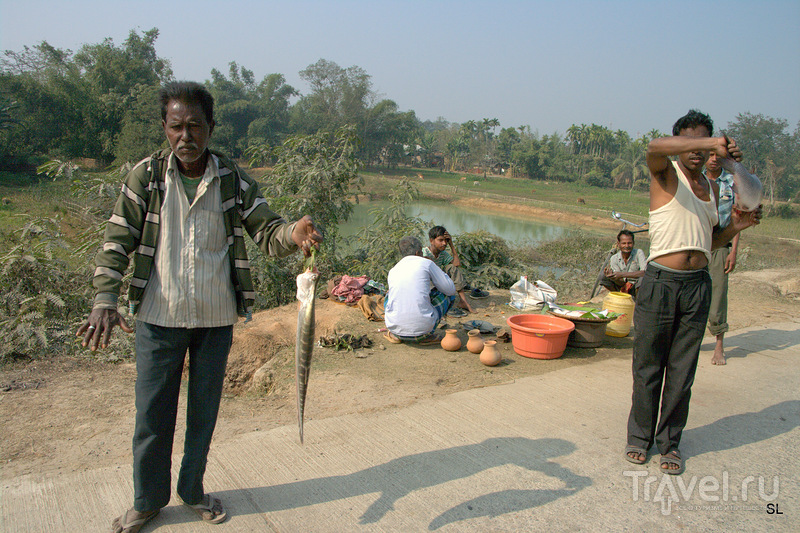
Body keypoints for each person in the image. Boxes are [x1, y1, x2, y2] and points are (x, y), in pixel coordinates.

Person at [77, 81, 322, 533]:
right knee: (152, 416)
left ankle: (192, 490)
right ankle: (148, 501)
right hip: (158, 318)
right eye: (176, 127)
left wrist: (295, 234)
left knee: (203, 412)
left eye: (194, 126)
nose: (185, 136)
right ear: (164, 128)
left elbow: (267, 232)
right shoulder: (146, 177)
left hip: (214, 319)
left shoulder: (232, 178)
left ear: (210, 128)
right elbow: (117, 240)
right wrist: (104, 299)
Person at [624, 110, 760, 475]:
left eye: (704, 140)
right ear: (682, 145)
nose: (697, 150)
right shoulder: (666, 174)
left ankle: (669, 443)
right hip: (660, 282)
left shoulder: (713, 188)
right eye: (690, 141)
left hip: (697, 285)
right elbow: (654, 146)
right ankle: (639, 439)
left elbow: (709, 241)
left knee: (682, 372)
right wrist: (709, 143)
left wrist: (735, 227)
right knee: (648, 367)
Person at [384, 236, 457, 344]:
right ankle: (427, 336)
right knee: (449, 294)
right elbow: (450, 289)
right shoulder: (426, 263)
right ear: (418, 252)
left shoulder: (394, 269)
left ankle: (396, 336)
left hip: (394, 328)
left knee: (389, 294)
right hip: (424, 330)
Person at [704, 152, 740, 365]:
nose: (714, 159)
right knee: (694, 296)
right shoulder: (697, 180)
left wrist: (733, 251)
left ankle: (719, 345)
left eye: (718, 156)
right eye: (710, 155)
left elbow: (738, 218)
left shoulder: (731, 183)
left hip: (721, 245)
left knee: (717, 296)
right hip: (699, 244)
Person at [422, 226, 486, 317]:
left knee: (452, 268)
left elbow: (456, 264)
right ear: (431, 241)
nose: (444, 243)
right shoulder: (424, 253)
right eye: (440, 240)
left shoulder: (443, 254)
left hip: (437, 279)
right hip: (428, 282)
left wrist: (451, 244)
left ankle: (463, 301)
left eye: (446, 241)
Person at [599, 229, 648, 298]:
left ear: (633, 243)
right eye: (624, 243)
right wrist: (613, 277)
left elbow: (644, 273)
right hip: (622, 286)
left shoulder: (639, 253)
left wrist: (621, 274)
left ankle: (637, 301)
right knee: (602, 276)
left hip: (636, 286)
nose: (627, 246)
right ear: (618, 244)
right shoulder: (614, 258)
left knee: (642, 279)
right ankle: (619, 297)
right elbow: (621, 282)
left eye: (629, 243)